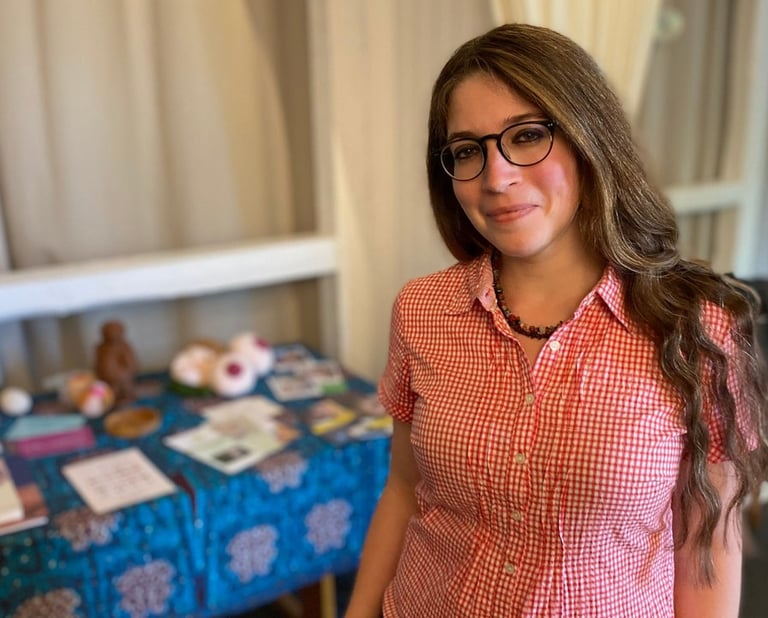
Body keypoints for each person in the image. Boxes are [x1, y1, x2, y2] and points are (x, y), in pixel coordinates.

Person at [344, 23, 768, 618]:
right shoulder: (422, 310)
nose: (496, 178)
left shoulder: (695, 329)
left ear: (589, 138)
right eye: (467, 150)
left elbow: (708, 545)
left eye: (527, 136)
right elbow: (403, 488)